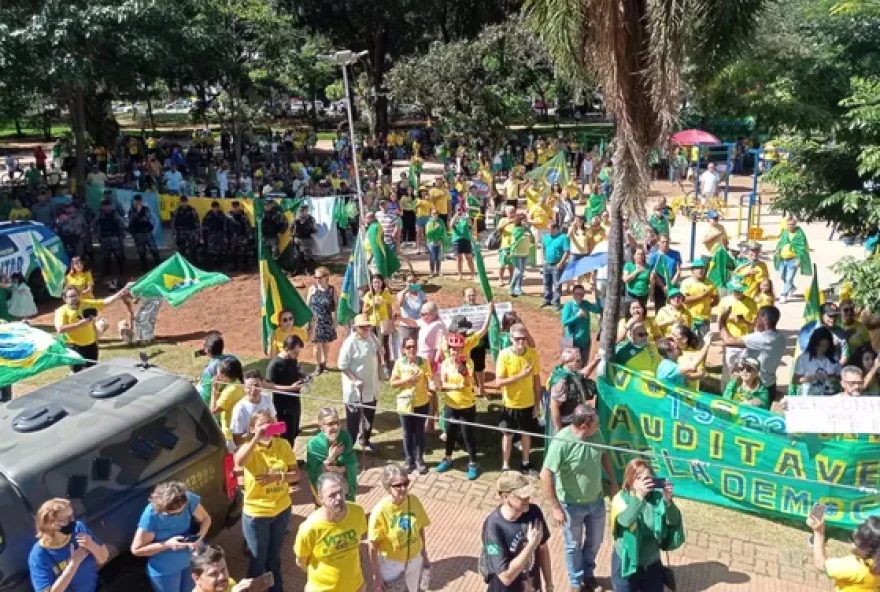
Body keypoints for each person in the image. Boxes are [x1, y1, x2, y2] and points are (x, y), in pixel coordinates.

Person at [541, 404, 619, 592]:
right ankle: (576, 582)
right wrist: (556, 508)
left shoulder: (596, 435)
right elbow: (545, 475)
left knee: (595, 541)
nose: (599, 427)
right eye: (596, 424)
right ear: (584, 425)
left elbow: (604, 456)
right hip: (570, 506)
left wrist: (613, 483)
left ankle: (588, 574)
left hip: (596, 502)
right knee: (573, 545)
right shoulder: (561, 442)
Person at [234, 410, 298, 592]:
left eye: (269, 423)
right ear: (253, 428)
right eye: (262, 424)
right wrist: (256, 439)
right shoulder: (249, 448)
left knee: (274, 558)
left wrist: (278, 476)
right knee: (257, 559)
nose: (266, 428)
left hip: (281, 510)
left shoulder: (282, 444)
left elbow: (296, 475)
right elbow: (239, 461)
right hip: (257, 515)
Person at [609, 459, 684, 592]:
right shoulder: (621, 498)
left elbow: (674, 522)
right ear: (630, 480)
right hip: (626, 563)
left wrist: (668, 502)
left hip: (651, 564)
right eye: (639, 478)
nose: (645, 482)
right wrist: (639, 498)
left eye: (648, 478)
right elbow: (624, 521)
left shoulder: (657, 499)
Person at [131, 481, 212, 592]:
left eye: (181, 511)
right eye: (173, 514)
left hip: (190, 563)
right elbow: (136, 550)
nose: (178, 515)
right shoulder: (151, 516)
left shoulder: (187, 499)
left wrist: (199, 537)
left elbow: (206, 519)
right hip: (165, 571)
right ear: (161, 509)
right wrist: (167, 545)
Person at [294, 472, 368, 592]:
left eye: (340, 492)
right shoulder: (310, 528)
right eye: (332, 495)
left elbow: (358, 545)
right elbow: (301, 561)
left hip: (356, 586)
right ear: (320, 498)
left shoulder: (357, 512)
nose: (339, 498)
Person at [481, 471, 551, 592]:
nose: (527, 499)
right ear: (505, 497)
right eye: (521, 496)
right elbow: (505, 577)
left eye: (528, 494)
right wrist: (531, 545)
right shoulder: (493, 526)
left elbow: (543, 549)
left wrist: (549, 584)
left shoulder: (534, 513)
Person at [368, 465, 432, 592]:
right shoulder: (380, 512)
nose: (403, 488)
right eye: (398, 485)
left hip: (414, 559)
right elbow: (373, 547)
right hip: (392, 565)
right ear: (387, 486)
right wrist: (377, 575)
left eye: (406, 483)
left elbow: (420, 529)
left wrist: (424, 553)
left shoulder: (413, 501)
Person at [29, 498, 110, 592]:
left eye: (72, 515)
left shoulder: (78, 529)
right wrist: (73, 564)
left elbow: (104, 558)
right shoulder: (39, 555)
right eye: (67, 519)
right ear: (52, 524)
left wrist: (91, 545)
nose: (73, 521)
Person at [495, 323, 541, 476]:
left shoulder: (532, 354)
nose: (521, 342)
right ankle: (505, 465)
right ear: (510, 338)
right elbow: (499, 382)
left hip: (527, 403)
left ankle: (525, 463)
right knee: (507, 435)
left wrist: (537, 404)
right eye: (517, 339)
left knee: (526, 434)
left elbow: (536, 382)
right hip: (510, 404)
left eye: (523, 338)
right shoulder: (504, 355)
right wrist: (520, 376)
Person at [436, 332, 481, 479]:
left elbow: (466, 383)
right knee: (450, 434)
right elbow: (442, 384)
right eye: (453, 348)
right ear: (449, 349)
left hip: (466, 405)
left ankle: (473, 463)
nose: (456, 351)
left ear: (462, 349)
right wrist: (455, 386)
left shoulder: (468, 363)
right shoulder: (445, 363)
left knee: (468, 436)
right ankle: (448, 458)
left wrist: (464, 373)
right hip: (450, 405)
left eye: (458, 348)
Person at [54, 284, 130, 371]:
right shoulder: (61, 311)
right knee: (77, 372)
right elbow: (60, 329)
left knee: (92, 371)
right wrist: (79, 325)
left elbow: (105, 302)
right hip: (74, 347)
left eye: (76, 295)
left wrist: (121, 292)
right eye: (71, 296)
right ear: (65, 298)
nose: (74, 298)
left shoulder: (86, 304)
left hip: (91, 345)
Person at [719, 305, 785, 400]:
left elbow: (728, 341)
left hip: (755, 388)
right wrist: (745, 321)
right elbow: (755, 333)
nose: (755, 319)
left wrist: (722, 321)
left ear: (764, 319)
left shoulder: (763, 339)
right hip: (770, 384)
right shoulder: (780, 337)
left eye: (757, 316)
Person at [338, 314, 382, 451]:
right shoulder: (350, 342)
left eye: (367, 326)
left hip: (371, 385)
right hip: (355, 388)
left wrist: (381, 352)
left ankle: (365, 440)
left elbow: (379, 350)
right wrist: (354, 380)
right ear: (356, 328)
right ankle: (349, 449)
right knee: (353, 420)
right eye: (362, 327)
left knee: (369, 415)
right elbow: (342, 365)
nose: (366, 329)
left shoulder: (372, 337)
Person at [391, 336, 434, 473]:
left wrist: (432, 387)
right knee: (407, 433)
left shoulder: (424, 362)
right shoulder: (399, 363)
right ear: (403, 350)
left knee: (419, 432)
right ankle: (409, 460)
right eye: (408, 347)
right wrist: (407, 380)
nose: (412, 349)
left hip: (421, 402)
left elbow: (430, 380)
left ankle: (419, 459)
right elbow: (392, 383)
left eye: (414, 346)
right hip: (405, 403)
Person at [806, 514, 880, 591]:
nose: (852, 541)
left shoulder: (856, 566)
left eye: (855, 539)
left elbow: (821, 565)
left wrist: (818, 532)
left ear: (865, 546)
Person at [305, 407, 359, 501]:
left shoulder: (345, 437)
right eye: (330, 424)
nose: (336, 427)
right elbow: (314, 473)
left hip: (344, 487)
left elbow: (352, 463)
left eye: (337, 423)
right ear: (321, 426)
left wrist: (336, 469)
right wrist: (331, 458)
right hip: (326, 489)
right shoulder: (314, 445)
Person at [265, 335, 306, 447]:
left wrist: (302, 377)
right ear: (286, 349)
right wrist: (290, 388)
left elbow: (295, 374)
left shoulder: (292, 359)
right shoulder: (275, 364)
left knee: (293, 434)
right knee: (284, 437)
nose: (296, 355)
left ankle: (291, 460)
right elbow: (268, 385)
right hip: (282, 407)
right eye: (295, 353)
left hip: (295, 404)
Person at [229, 370, 276, 446]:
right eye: (249, 387)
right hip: (250, 449)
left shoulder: (267, 398)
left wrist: (275, 432)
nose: (253, 389)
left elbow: (274, 421)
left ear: (262, 383)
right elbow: (237, 440)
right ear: (244, 387)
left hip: (268, 445)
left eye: (256, 385)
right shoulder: (239, 409)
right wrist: (258, 433)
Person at [793, 327, 841, 397]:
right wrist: (810, 378)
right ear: (813, 344)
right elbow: (795, 380)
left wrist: (830, 377)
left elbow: (840, 378)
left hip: (829, 396)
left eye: (825, 346)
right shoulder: (803, 358)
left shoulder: (834, 359)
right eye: (819, 345)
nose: (821, 348)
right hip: (808, 397)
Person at [306, 267, 337, 375]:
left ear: (326, 277)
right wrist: (309, 321)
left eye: (319, 277)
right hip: (316, 321)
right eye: (316, 277)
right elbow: (308, 305)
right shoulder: (312, 289)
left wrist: (335, 320)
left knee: (326, 345)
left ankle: (324, 364)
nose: (317, 279)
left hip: (327, 320)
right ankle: (318, 366)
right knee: (316, 345)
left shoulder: (332, 290)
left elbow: (335, 306)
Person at [561, 283, 602, 365]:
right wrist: (577, 316)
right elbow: (564, 322)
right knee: (568, 365)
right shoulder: (568, 305)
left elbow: (597, 310)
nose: (579, 296)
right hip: (570, 340)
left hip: (585, 340)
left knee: (583, 364)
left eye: (582, 294)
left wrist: (596, 295)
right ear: (573, 294)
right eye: (577, 294)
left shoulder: (585, 303)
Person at [774, 215, 811, 303]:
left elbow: (802, 248)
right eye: (788, 224)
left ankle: (784, 295)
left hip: (793, 260)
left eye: (792, 224)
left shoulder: (799, 234)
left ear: (795, 224)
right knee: (782, 276)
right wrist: (778, 251)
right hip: (783, 259)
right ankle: (792, 287)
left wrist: (799, 259)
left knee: (789, 278)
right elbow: (781, 243)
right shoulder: (785, 233)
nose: (790, 226)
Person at [198, 332, 238, 411]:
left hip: (217, 408)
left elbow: (206, 396)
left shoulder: (208, 371)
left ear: (207, 351)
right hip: (235, 399)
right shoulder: (233, 359)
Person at [210, 357, 246, 445]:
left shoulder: (229, 391)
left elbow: (213, 410)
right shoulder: (240, 383)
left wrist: (214, 389)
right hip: (242, 429)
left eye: (218, 373)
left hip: (230, 434)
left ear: (225, 377)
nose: (216, 376)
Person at [190, 545, 254, 592]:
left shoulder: (230, 584)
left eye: (223, 570)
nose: (222, 577)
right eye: (213, 574)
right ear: (196, 578)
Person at [364, 274, 393, 374]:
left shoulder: (386, 294)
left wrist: (390, 320)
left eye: (378, 282)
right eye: (374, 282)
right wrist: (372, 306)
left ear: (382, 283)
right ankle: (375, 365)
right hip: (372, 323)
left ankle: (386, 366)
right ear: (371, 284)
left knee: (384, 344)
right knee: (373, 345)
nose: (376, 284)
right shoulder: (368, 295)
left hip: (383, 322)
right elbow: (364, 310)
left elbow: (389, 308)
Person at [680, 260, 718, 338]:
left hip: (704, 319)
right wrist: (701, 296)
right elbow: (683, 300)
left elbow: (716, 299)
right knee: (688, 343)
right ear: (692, 271)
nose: (700, 270)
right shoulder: (686, 283)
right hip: (689, 318)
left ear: (705, 270)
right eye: (697, 268)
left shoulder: (710, 283)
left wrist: (708, 306)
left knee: (703, 343)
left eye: (702, 268)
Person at [541, 220, 570, 308]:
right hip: (547, 264)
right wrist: (543, 259)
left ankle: (556, 302)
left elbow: (566, 251)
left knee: (557, 285)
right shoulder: (546, 237)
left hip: (557, 264)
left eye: (549, 229)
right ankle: (547, 300)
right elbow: (543, 248)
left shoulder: (563, 237)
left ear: (556, 228)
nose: (548, 231)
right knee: (546, 283)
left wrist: (561, 263)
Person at [647, 235, 681, 310]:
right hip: (659, 287)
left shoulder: (676, 254)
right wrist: (663, 287)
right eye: (663, 242)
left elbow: (678, 271)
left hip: (673, 286)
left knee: (674, 309)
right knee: (660, 310)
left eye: (667, 242)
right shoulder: (654, 256)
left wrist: (670, 285)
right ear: (659, 242)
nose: (665, 244)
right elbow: (653, 273)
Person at [129, 194, 161, 271]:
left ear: (141, 201)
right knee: (141, 252)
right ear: (134, 202)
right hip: (138, 234)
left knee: (154, 250)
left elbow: (147, 218)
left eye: (139, 201)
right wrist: (138, 213)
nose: (137, 203)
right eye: (136, 201)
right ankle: (144, 268)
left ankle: (159, 266)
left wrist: (139, 214)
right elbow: (132, 219)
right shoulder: (131, 210)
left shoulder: (146, 209)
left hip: (147, 233)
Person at [94, 199, 127, 275]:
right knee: (106, 256)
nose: (106, 208)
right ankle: (107, 272)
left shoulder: (115, 214)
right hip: (104, 237)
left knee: (118, 255)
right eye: (104, 206)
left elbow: (122, 224)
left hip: (114, 237)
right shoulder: (99, 214)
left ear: (110, 206)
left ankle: (122, 271)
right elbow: (94, 225)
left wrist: (121, 236)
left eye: (107, 206)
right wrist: (98, 236)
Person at [171, 196, 200, 263]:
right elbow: (173, 222)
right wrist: (174, 233)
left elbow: (197, 221)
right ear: (180, 202)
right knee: (182, 248)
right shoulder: (177, 210)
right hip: (181, 232)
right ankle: (183, 263)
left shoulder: (192, 210)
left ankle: (194, 263)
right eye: (182, 202)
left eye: (185, 202)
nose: (184, 203)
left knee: (192, 248)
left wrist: (197, 232)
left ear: (187, 202)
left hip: (191, 231)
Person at [451, 207, 476, 281]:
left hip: (466, 239)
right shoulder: (454, 218)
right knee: (459, 258)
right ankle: (460, 275)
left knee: (469, 257)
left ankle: (473, 274)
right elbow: (451, 226)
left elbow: (472, 226)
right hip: (457, 240)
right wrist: (455, 217)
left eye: (460, 209)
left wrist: (467, 218)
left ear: (462, 210)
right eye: (457, 210)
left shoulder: (465, 218)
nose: (459, 211)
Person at [201, 202, 228, 271]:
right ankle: (212, 265)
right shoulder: (208, 214)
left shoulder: (221, 214)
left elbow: (225, 224)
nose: (215, 209)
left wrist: (224, 233)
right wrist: (207, 230)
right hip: (211, 234)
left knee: (219, 249)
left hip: (220, 234)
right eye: (214, 207)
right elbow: (204, 223)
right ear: (212, 207)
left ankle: (220, 265)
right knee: (211, 250)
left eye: (216, 207)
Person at [425, 209, 446, 277]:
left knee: (438, 258)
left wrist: (441, 239)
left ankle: (438, 271)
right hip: (431, 242)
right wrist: (435, 228)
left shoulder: (441, 221)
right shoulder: (429, 223)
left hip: (439, 242)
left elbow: (443, 231)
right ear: (431, 214)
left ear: (438, 214)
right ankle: (432, 272)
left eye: (436, 213)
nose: (434, 214)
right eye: (433, 213)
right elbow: (428, 234)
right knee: (432, 258)